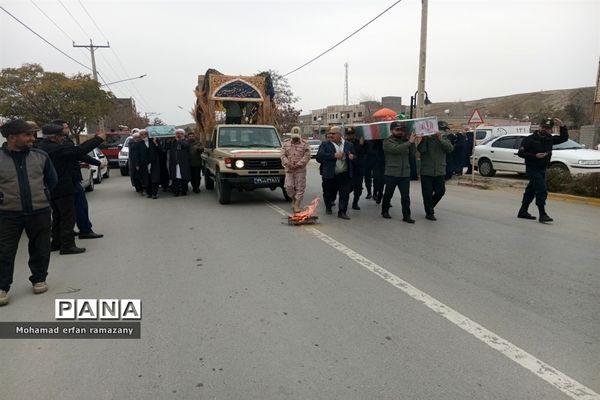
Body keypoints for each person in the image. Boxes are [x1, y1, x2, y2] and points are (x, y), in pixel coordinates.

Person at [0, 120, 57, 306]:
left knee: (41, 246)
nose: (32, 138)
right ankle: (2, 287)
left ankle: (39, 278)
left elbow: (52, 180)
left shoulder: (41, 156)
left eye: (33, 134)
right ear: (11, 137)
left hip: (39, 210)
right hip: (7, 213)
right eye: (27, 135)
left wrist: (43, 194)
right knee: (4, 251)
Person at [37, 124, 105, 253]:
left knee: (58, 216)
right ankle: (67, 245)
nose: (63, 138)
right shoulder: (55, 148)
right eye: (61, 136)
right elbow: (79, 151)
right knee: (68, 216)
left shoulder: (43, 146)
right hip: (63, 186)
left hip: (53, 187)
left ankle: (56, 242)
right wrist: (98, 139)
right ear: (54, 137)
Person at [52, 119, 103, 240]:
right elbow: (79, 151)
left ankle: (67, 231)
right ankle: (84, 230)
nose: (68, 129)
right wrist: (98, 139)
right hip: (68, 180)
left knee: (66, 210)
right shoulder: (61, 144)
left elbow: (78, 155)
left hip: (69, 179)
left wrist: (95, 162)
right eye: (65, 128)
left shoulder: (64, 141)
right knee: (78, 206)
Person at [517, 117, 568, 223]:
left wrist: (562, 126)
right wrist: (535, 155)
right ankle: (542, 214)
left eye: (548, 128)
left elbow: (564, 138)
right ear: (540, 126)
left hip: (543, 168)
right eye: (544, 127)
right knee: (541, 190)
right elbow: (520, 153)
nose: (545, 129)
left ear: (551, 129)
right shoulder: (529, 139)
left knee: (531, 190)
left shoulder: (549, 139)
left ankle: (523, 211)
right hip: (532, 168)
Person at [316, 125, 355, 220]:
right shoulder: (325, 144)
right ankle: (328, 207)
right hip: (330, 174)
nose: (330, 135)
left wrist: (352, 157)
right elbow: (319, 157)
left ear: (339, 134)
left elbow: (355, 156)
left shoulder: (348, 144)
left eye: (333, 133)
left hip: (344, 174)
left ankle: (342, 211)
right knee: (328, 192)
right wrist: (333, 155)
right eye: (329, 133)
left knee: (344, 193)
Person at [417, 120, 454, 221]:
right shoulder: (427, 139)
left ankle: (430, 206)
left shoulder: (445, 139)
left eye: (445, 131)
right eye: (443, 130)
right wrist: (424, 139)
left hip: (439, 170)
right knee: (427, 193)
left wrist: (440, 139)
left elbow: (450, 149)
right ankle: (429, 212)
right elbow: (420, 150)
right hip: (427, 171)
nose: (444, 132)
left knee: (440, 191)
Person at [381, 121, 416, 223]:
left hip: (404, 173)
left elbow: (412, 154)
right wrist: (409, 142)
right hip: (392, 172)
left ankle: (406, 216)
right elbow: (396, 150)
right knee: (388, 194)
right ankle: (385, 211)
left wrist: (412, 143)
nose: (400, 132)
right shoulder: (387, 141)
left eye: (402, 130)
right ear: (392, 131)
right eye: (397, 130)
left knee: (405, 196)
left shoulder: (405, 141)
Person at [281, 126, 311, 213]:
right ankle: (293, 199)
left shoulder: (305, 144)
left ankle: (297, 204)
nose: (295, 138)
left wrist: (298, 164)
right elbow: (282, 155)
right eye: (294, 136)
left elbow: (307, 156)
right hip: (289, 169)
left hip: (300, 170)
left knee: (300, 187)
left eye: (297, 137)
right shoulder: (286, 143)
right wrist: (287, 163)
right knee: (289, 187)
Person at [344, 127, 366, 210]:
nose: (350, 136)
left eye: (352, 134)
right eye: (348, 134)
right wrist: (360, 145)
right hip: (348, 169)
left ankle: (355, 203)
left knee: (358, 188)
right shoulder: (344, 143)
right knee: (348, 188)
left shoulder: (359, 142)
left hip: (358, 168)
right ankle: (344, 203)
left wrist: (362, 144)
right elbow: (349, 152)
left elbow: (363, 153)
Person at [135, 130, 162, 199]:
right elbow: (137, 155)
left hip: (154, 163)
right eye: (142, 135)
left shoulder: (153, 141)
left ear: (148, 134)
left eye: (145, 134)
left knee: (154, 178)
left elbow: (161, 150)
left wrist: (156, 143)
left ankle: (154, 194)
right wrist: (137, 164)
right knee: (146, 179)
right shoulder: (139, 144)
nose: (143, 136)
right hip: (144, 164)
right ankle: (149, 193)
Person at [168, 129, 192, 196]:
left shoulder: (186, 141)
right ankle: (176, 192)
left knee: (184, 179)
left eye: (181, 133)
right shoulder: (173, 142)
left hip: (183, 164)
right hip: (174, 164)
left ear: (183, 134)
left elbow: (185, 145)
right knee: (175, 179)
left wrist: (179, 140)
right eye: (178, 133)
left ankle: (184, 191)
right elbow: (166, 148)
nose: (179, 134)